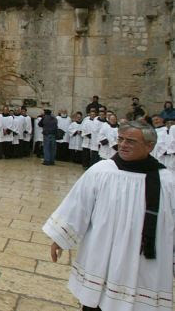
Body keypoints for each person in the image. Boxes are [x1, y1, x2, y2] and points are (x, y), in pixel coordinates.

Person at [43, 122, 175, 311]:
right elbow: (79, 204)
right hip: (103, 253)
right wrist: (60, 237)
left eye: (130, 141)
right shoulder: (102, 170)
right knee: (96, 302)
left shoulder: (167, 181)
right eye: (120, 139)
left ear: (150, 146)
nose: (122, 145)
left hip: (144, 262)